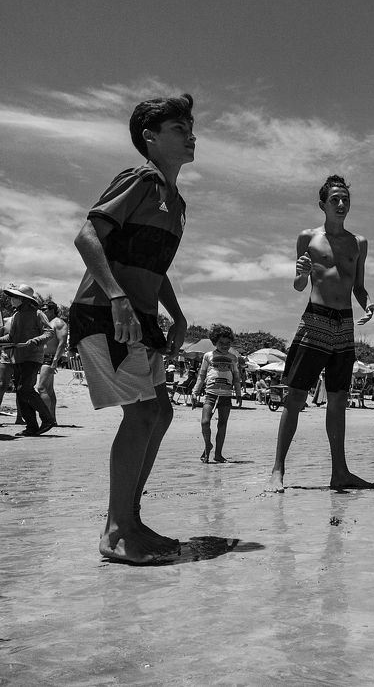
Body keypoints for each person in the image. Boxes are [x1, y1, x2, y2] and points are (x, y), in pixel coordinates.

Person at [68, 93, 194, 563]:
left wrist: (176, 315)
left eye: (190, 126)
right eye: (179, 128)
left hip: (141, 317)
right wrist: (117, 295)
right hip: (106, 310)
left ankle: (131, 518)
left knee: (160, 413)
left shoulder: (177, 201)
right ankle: (116, 532)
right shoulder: (141, 178)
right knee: (140, 415)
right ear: (150, 137)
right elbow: (87, 236)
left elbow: (153, 269)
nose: (190, 134)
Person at [265, 174, 374, 492]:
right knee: (295, 398)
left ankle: (340, 472)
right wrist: (300, 274)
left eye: (346, 199)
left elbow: (358, 287)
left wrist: (367, 304)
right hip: (315, 321)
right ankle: (277, 471)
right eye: (335, 200)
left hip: (344, 325)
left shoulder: (359, 243)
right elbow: (299, 284)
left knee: (339, 401)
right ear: (322, 205)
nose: (342, 204)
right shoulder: (308, 238)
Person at [0, 284, 56, 435]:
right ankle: (32, 427)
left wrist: (36, 341)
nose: (11, 300)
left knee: (24, 389)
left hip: (32, 357)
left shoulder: (37, 314)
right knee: (21, 393)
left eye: (14, 297)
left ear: (23, 299)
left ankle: (48, 419)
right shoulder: (16, 315)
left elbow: (49, 333)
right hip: (17, 358)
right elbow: (11, 338)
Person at [191, 324, 241, 463]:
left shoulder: (233, 357)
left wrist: (238, 392)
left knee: (222, 425)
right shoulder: (208, 356)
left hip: (226, 396)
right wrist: (195, 392)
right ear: (214, 342)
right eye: (221, 343)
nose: (225, 346)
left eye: (228, 343)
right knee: (205, 423)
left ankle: (218, 454)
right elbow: (201, 376)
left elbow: (236, 377)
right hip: (210, 395)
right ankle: (208, 444)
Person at [38, 300, 68, 426]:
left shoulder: (59, 322)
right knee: (49, 390)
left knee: (42, 388)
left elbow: (62, 343)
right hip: (43, 357)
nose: (43, 311)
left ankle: (47, 420)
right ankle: (52, 419)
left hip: (50, 358)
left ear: (51, 310)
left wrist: (55, 360)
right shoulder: (47, 322)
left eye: (44, 309)